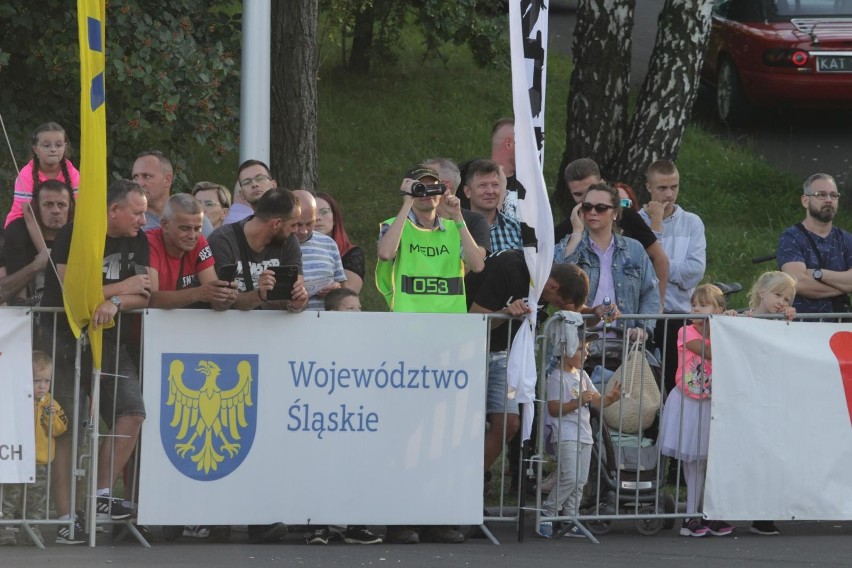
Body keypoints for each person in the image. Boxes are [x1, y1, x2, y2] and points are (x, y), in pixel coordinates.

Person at [39, 179, 152, 543]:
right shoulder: (76, 231)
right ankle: (68, 519)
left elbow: (147, 291)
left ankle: (100, 495)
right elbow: (72, 293)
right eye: (136, 212)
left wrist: (113, 302)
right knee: (68, 431)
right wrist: (123, 288)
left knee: (132, 410)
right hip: (65, 338)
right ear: (113, 210)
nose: (143, 219)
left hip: (110, 337)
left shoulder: (138, 237)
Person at [465, 250, 591, 490]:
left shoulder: (550, 279)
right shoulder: (509, 269)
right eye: (556, 304)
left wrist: (594, 311)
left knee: (510, 423)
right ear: (552, 285)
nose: (553, 308)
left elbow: (573, 307)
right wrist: (506, 312)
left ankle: (470, 484)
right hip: (469, 350)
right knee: (469, 424)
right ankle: (458, 485)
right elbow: (474, 320)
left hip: (504, 351)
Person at [658, 284, 734, 538]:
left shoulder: (722, 330)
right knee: (693, 461)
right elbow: (709, 350)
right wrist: (726, 327)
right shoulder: (686, 331)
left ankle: (704, 512)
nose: (696, 309)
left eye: (703, 305)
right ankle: (691, 514)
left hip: (710, 402)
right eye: (694, 305)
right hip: (688, 402)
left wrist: (728, 324)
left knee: (705, 461)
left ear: (718, 309)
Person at [537, 314, 621, 539]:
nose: (586, 353)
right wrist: (579, 401)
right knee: (569, 478)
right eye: (580, 349)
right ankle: (547, 513)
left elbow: (596, 400)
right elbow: (554, 409)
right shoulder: (557, 378)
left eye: (587, 348)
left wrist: (611, 398)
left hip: (584, 435)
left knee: (581, 481)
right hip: (566, 434)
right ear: (564, 350)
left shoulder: (582, 375)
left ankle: (570, 518)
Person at [554, 158, 669, 305]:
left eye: (591, 190)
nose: (586, 200)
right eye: (578, 194)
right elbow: (554, 278)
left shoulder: (628, 217)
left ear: (602, 184)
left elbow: (660, 259)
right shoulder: (565, 229)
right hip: (583, 319)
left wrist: (657, 307)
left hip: (627, 318)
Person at [557, 182, 660, 341]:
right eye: (587, 206)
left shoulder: (635, 249)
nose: (592, 212)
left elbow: (650, 293)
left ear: (615, 213)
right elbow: (559, 283)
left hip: (624, 344)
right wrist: (577, 233)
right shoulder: (570, 244)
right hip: (578, 344)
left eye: (600, 208)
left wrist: (643, 328)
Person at [376, 164, 484, 313]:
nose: (427, 193)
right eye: (420, 188)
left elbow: (477, 265)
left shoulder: (454, 228)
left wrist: (457, 216)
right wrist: (408, 202)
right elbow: (385, 253)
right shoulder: (394, 226)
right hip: (409, 320)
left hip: (451, 321)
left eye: (432, 187)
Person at [639, 159, 706, 394]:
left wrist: (662, 265)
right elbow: (640, 272)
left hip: (679, 314)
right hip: (645, 314)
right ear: (648, 187)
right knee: (644, 384)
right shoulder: (637, 221)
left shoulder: (692, 222)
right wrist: (655, 223)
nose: (669, 194)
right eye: (662, 188)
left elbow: (695, 271)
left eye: (674, 187)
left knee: (676, 381)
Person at [739, 271, 797, 537]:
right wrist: (733, 319)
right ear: (762, 292)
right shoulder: (742, 317)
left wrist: (792, 323)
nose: (782, 302)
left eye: (787, 298)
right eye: (777, 295)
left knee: (772, 455)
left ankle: (765, 515)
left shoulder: (784, 321)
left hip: (774, 397)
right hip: (746, 396)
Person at [0, 351, 69, 547]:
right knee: (10, 494)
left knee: (36, 497)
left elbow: (60, 428)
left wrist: (51, 416)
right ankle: (5, 527)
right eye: (36, 380)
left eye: (46, 381)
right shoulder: (17, 401)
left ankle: (32, 526)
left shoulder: (51, 404)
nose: (41, 386)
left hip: (40, 459)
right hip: (16, 457)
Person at [207, 187, 308, 312]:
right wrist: (260, 295)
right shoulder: (222, 241)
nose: (296, 231)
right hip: (227, 327)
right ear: (276, 223)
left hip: (274, 327)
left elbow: (294, 296)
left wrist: (297, 302)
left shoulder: (289, 241)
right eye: (293, 225)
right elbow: (223, 302)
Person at [777, 173, 852, 315]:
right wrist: (845, 286)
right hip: (802, 325)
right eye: (821, 195)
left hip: (840, 327)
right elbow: (798, 283)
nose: (829, 200)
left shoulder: (847, 239)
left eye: (834, 195)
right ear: (805, 200)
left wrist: (818, 274)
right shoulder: (791, 237)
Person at [146, 193, 236, 310]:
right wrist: (198, 293)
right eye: (185, 228)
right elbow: (151, 299)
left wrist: (224, 297)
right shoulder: (149, 242)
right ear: (165, 225)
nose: (192, 236)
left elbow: (216, 303)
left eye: (198, 228)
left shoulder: (200, 242)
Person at [6, 123, 78, 258]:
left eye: (58, 145)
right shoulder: (25, 175)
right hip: (26, 221)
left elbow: (75, 210)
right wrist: (45, 253)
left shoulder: (73, 173)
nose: (53, 149)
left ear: (65, 148)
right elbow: (29, 216)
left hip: (58, 219)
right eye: (47, 145)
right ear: (36, 150)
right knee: (15, 233)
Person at [4, 180, 72, 305]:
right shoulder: (17, 239)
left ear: (70, 208)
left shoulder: (77, 242)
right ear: (36, 208)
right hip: (22, 323)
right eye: (48, 205)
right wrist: (36, 266)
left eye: (62, 205)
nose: (56, 210)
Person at [132, 150, 214, 237]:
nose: (139, 183)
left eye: (147, 176)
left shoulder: (196, 221)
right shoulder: (130, 224)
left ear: (167, 180)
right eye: (135, 177)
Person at [423, 158, 492, 257]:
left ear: (444, 185)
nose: (421, 185)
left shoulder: (475, 220)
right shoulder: (415, 218)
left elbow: (477, 263)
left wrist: (457, 217)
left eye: (427, 180)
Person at [292, 190, 346, 310]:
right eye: (297, 224)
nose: (303, 231)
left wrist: (336, 288)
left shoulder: (329, 243)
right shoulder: (274, 245)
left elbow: (343, 288)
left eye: (310, 223)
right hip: (286, 322)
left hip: (325, 321)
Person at [462, 159, 521, 253]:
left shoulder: (515, 227)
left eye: (495, 185)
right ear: (468, 192)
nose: (490, 191)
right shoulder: (457, 228)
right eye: (482, 185)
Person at [315, 192, 366, 293]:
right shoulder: (294, 251)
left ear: (334, 218)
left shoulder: (351, 254)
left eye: (324, 211)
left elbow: (349, 295)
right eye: (312, 213)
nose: (318, 218)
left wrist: (336, 288)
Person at [222, 159, 277, 225]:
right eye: (247, 182)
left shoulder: (290, 221)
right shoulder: (232, 232)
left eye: (260, 178)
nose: (254, 184)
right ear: (242, 194)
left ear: (273, 185)